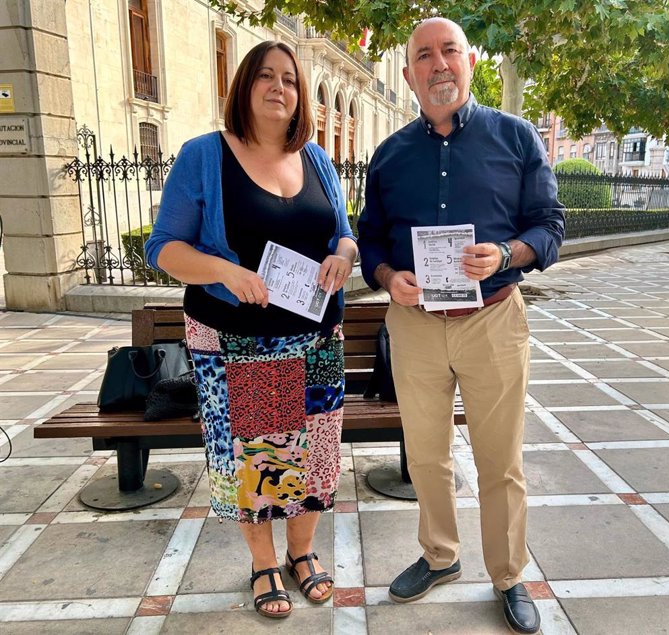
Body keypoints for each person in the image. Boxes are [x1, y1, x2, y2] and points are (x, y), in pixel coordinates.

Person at [358, 17, 565, 635]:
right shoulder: (390, 156)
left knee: (500, 461)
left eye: (450, 51)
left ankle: (508, 574)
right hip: (416, 325)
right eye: (425, 55)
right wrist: (388, 277)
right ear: (409, 74)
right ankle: (440, 556)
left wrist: (506, 255)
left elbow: (549, 228)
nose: (439, 64)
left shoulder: (517, 138)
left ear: (470, 61)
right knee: (425, 456)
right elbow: (371, 240)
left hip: (493, 320)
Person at [145, 41, 357, 619]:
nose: (278, 88)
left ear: (300, 96)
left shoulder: (315, 158)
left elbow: (343, 231)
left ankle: (303, 552)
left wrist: (343, 254)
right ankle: (265, 564)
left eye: (290, 79)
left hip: (316, 337)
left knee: (314, 453)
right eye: (265, 76)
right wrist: (225, 271)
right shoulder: (205, 155)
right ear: (244, 86)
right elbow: (163, 247)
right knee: (261, 461)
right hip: (243, 342)